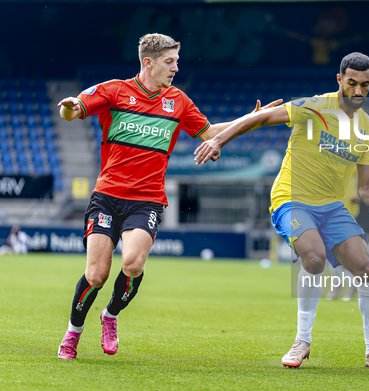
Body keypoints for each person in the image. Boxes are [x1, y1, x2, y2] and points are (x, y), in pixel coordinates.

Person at [56, 33, 280, 360]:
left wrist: (253, 120)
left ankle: (110, 316)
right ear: (148, 62)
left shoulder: (178, 102)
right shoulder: (115, 90)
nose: (176, 67)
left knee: (132, 264)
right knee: (96, 274)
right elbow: (74, 110)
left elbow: (211, 133)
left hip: (147, 199)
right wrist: (67, 109)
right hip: (107, 196)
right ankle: (73, 332)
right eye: (169, 61)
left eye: (176, 60)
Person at [195, 53, 369, 370]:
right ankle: (302, 342)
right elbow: (260, 118)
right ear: (339, 80)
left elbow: (365, 187)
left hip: (331, 207)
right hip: (291, 198)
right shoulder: (314, 106)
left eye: (365, 85)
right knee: (314, 257)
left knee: (367, 270)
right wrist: (219, 139)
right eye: (352, 83)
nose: (358, 91)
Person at [326, 167, 359, 301]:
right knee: (332, 252)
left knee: (339, 252)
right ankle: (347, 284)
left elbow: (364, 177)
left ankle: (344, 284)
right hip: (330, 208)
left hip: (347, 210)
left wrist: (360, 193)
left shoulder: (354, 157)